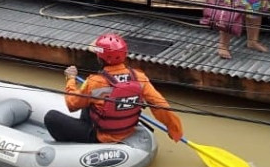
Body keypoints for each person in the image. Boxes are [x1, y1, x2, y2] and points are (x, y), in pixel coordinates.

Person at [43, 33, 183, 144]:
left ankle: (70, 147)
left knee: (51, 117)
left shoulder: (94, 82)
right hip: (126, 130)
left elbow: (71, 105)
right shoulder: (140, 78)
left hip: (101, 135)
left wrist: (70, 80)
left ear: (100, 58)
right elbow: (160, 105)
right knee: (90, 102)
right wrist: (174, 129)